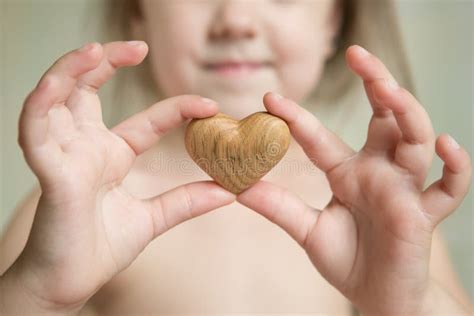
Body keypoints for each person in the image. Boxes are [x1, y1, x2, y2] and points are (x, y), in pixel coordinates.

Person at [0, 0, 472, 315]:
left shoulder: (380, 216)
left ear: (336, 21)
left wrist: (411, 304)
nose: (237, 18)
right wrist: (39, 288)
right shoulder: (79, 206)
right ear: (137, 13)